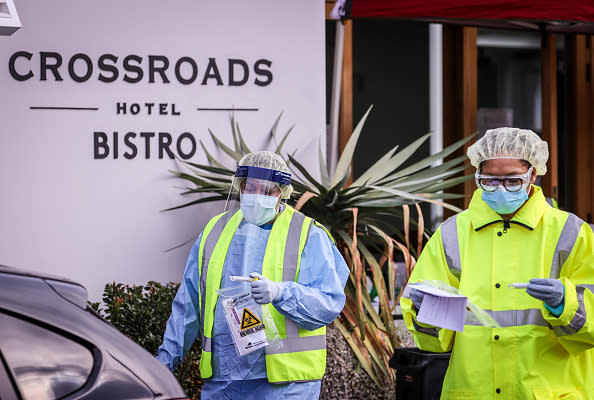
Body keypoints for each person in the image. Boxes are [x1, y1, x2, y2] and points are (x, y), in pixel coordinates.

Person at [401, 127, 594, 399]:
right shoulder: (451, 234)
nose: (500, 188)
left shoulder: (571, 233)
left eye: (512, 181)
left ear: (533, 176)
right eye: (489, 180)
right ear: (477, 176)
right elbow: (433, 342)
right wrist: (426, 309)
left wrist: (567, 303)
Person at [157, 151, 349, 399]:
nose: (257, 196)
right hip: (225, 379)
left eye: (267, 190)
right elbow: (188, 303)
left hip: (286, 385)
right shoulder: (215, 230)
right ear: (240, 187)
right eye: (251, 187)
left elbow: (329, 303)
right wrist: (165, 360)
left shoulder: (307, 234)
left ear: (282, 193)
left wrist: (281, 293)